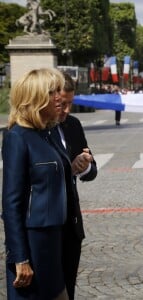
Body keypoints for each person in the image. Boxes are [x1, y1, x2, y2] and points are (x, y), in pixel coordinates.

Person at [1, 68, 69, 299]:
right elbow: (11, 204)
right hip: (33, 243)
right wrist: (20, 257)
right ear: (35, 98)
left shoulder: (46, 134)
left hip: (54, 239)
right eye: (52, 92)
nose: (60, 96)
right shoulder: (17, 137)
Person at [52, 72, 97, 300]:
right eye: (62, 104)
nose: (67, 110)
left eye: (71, 103)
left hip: (71, 223)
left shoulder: (73, 125)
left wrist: (84, 166)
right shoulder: (31, 131)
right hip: (45, 225)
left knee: (68, 289)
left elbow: (92, 168)